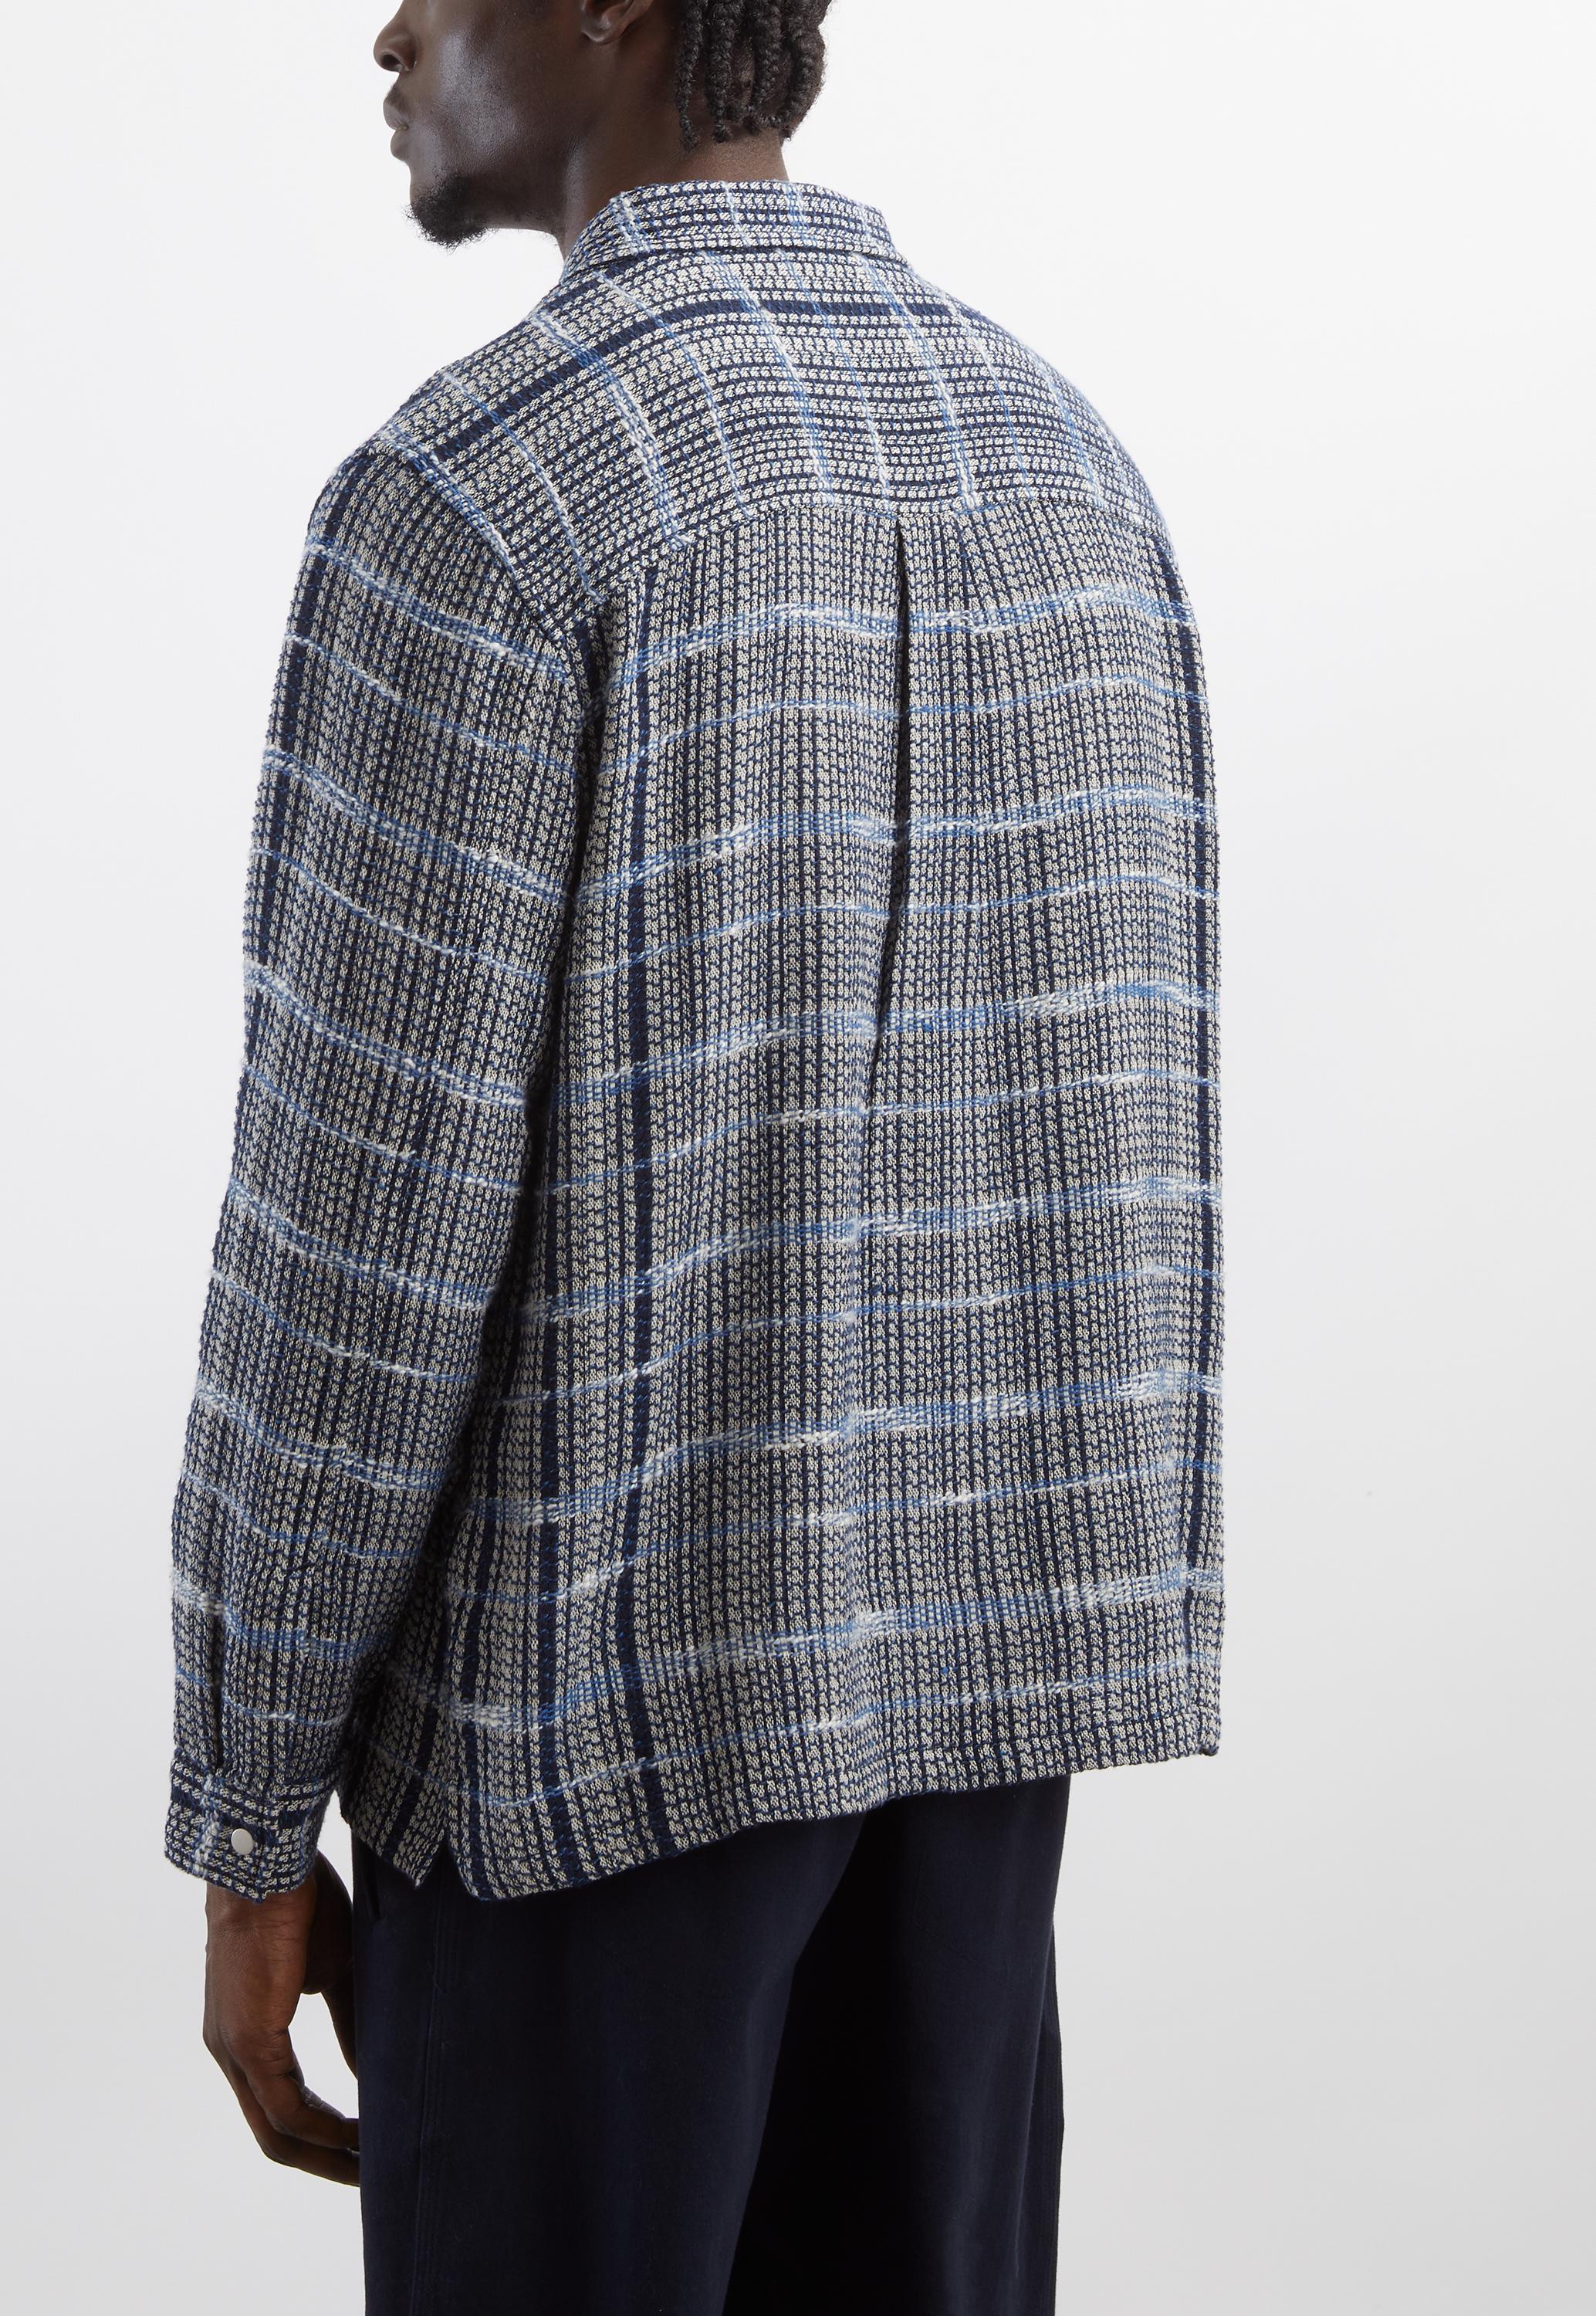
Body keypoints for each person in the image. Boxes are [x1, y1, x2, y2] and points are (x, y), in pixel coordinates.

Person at [167, 2, 1223, 2308]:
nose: (388, 28)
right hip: (970, 1752)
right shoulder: (1065, 459)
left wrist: (246, 1820)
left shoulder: (486, 499)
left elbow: (356, 1254)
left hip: (582, 1767)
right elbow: (1127, 1149)